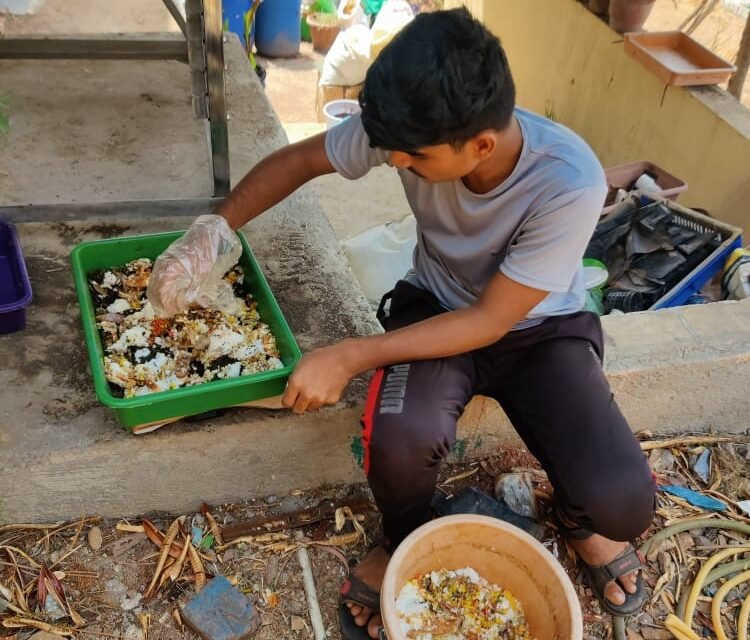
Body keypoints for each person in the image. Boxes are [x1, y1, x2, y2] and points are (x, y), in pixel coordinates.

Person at [148, 7, 656, 638]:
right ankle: (406, 538)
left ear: (481, 146)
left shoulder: (568, 181)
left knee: (625, 503)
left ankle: (579, 521)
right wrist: (214, 230)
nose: (393, 162)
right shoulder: (411, 128)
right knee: (399, 440)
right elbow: (299, 162)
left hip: (537, 332)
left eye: (411, 158)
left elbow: (494, 319)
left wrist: (351, 354)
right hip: (436, 306)